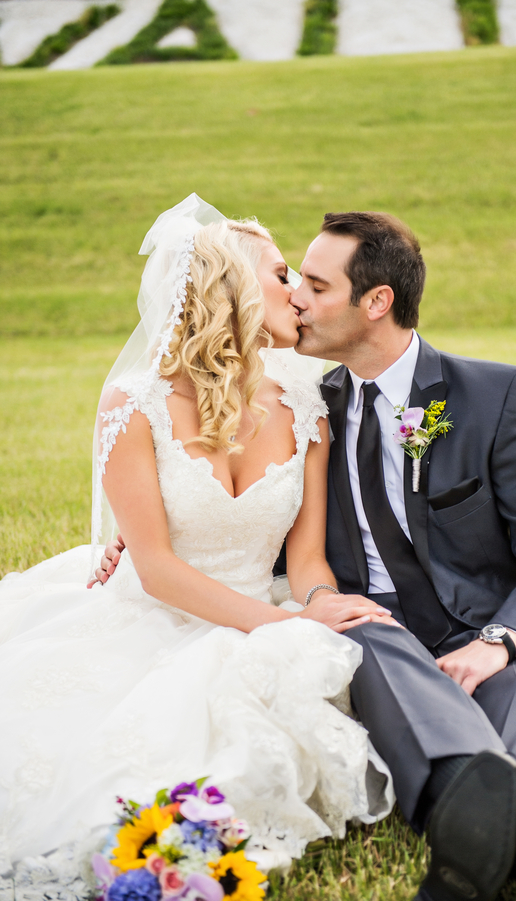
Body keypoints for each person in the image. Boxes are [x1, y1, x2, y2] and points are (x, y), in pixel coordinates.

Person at [99, 209, 516, 901]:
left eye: (314, 285)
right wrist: (137, 532)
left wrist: (497, 642)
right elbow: (240, 514)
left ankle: (484, 834)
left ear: (377, 302)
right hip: (377, 633)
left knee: (514, 692)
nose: (298, 298)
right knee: (369, 630)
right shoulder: (313, 402)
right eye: (290, 280)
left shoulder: (490, 396)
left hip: (491, 634)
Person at [0, 196, 397, 897]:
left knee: (306, 678)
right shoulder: (134, 402)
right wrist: (288, 623)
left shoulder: (306, 408)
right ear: (234, 289)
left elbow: (305, 559)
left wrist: (324, 605)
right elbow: (154, 566)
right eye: (281, 275)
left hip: (260, 603)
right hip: (153, 612)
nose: (297, 294)